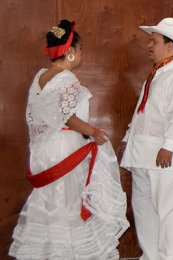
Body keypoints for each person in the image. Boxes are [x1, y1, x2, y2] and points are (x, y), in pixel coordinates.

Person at [9, 19, 129, 259]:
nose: (83, 53)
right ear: (71, 52)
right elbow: (67, 117)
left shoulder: (41, 76)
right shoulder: (67, 79)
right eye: (81, 49)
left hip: (46, 150)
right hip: (65, 149)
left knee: (51, 201)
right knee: (69, 201)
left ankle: (52, 251)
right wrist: (94, 132)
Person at [119, 18, 173, 260]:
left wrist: (168, 146)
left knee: (171, 214)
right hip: (144, 155)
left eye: (153, 41)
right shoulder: (154, 77)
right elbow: (144, 114)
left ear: (170, 46)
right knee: (145, 212)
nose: (149, 46)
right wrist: (127, 140)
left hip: (167, 158)